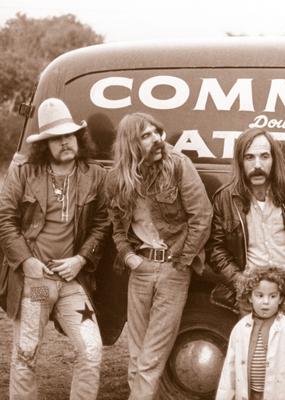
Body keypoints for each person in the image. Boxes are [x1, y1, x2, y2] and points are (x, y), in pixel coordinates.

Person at [0, 98, 110, 399]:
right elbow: (5, 220)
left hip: (71, 282)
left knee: (91, 349)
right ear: (44, 145)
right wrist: (26, 262)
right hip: (36, 283)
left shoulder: (95, 175)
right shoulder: (24, 173)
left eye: (68, 135)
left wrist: (81, 258)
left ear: (77, 137)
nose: (64, 142)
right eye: (55, 138)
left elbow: (103, 223)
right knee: (26, 353)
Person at [106, 112, 212, 399]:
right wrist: (128, 256)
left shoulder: (178, 165)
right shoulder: (117, 178)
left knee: (152, 355)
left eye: (157, 132)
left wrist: (182, 262)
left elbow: (201, 217)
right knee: (135, 353)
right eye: (146, 135)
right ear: (131, 144)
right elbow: (117, 226)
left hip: (173, 268)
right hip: (140, 268)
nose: (157, 140)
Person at [206, 128, 285, 340]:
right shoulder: (225, 198)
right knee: (253, 359)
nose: (257, 165)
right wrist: (238, 281)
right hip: (249, 291)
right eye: (249, 157)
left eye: (264, 156)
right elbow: (215, 247)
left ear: (274, 159)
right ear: (240, 161)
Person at [216, 267, 285, 400]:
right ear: (250, 297)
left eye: (273, 296)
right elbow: (229, 371)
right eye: (259, 295)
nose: (266, 302)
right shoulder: (240, 328)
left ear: (281, 298)